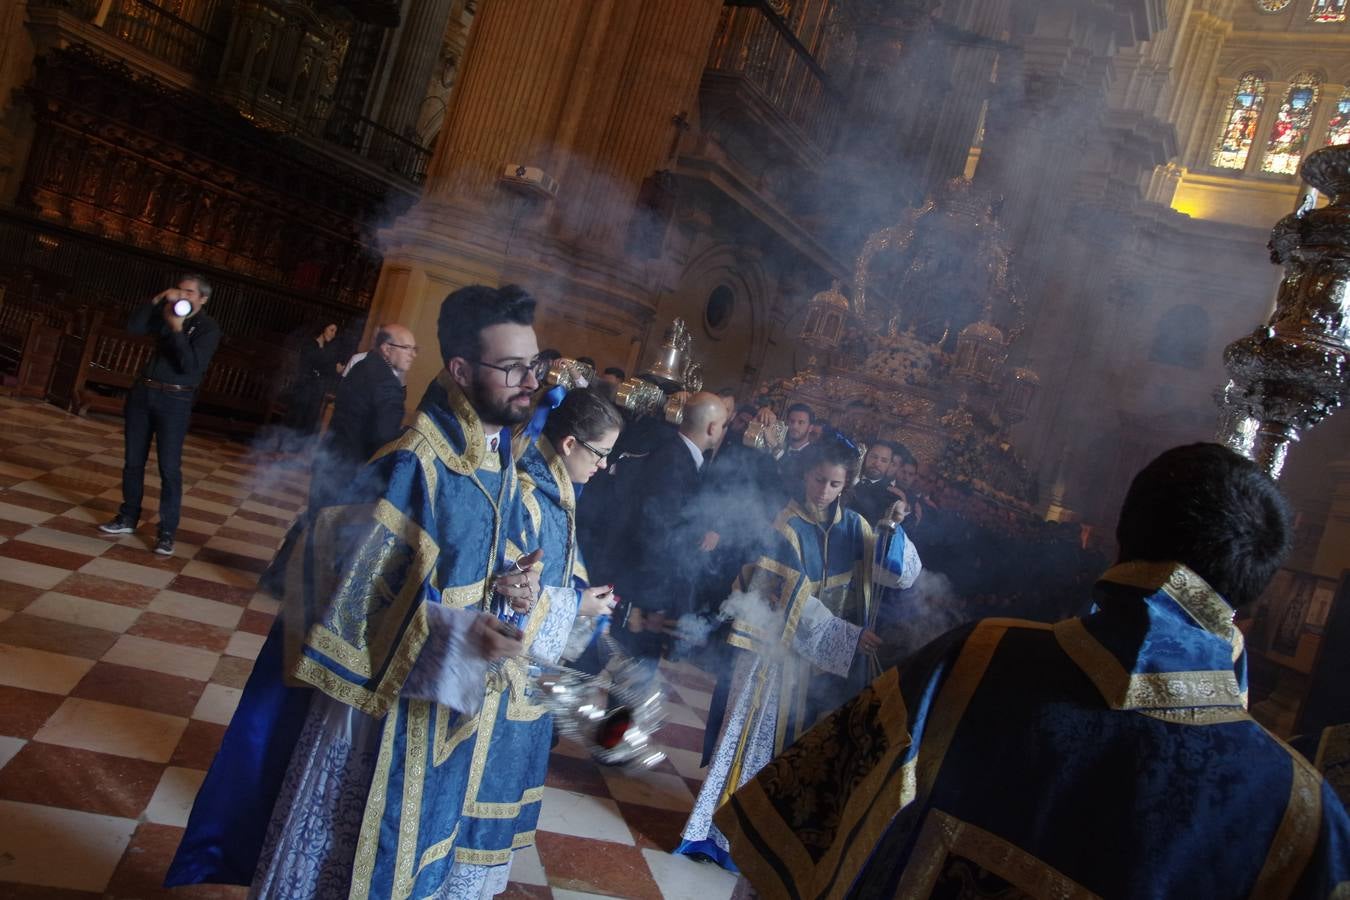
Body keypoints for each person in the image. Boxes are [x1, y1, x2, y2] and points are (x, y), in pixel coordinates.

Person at [715, 443, 1350, 898]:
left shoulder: (975, 661)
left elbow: (792, 849)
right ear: (1254, 597)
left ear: (1123, 538)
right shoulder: (1301, 812)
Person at [167, 284, 556, 899]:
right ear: (459, 370)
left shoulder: (500, 461)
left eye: (533, 366)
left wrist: (512, 584)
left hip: (445, 711)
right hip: (373, 721)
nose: (528, 382)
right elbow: (342, 604)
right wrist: (458, 629)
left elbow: (467, 560)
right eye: (511, 368)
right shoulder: (411, 466)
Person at [678, 437, 921, 871]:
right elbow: (786, 601)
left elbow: (900, 576)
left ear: (847, 484)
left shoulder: (859, 527)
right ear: (805, 474)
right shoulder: (784, 527)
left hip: (827, 667)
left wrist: (895, 529)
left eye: (834, 484)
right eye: (818, 479)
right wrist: (846, 636)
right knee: (756, 743)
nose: (824, 491)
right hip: (776, 659)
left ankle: (777, 841)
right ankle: (727, 837)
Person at [451, 389, 626, 893]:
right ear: (570, 443)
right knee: (474, 808)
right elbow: (505, 596)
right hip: (497, 682)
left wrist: (583, 596)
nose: (604, 466)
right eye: (600, 454)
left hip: (528, 683)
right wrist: (577, 606)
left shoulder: (559, 493)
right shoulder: (527, 494)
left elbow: (552, 574)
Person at [98, 274, 221, 557]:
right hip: (144, 393)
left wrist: (177, 331)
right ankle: (128, 517)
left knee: (169, 467)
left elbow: (189, 366)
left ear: (202, 298)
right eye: (179, 289)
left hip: (175, 399)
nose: (182, 296)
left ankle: (166, 533)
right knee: (133, 461)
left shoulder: (208, 328)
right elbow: (134, 326)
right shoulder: (165, 311)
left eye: (189, 292)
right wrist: (156, 301)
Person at [308, 323, 417, 511]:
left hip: (330, 459)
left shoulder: (361, 366)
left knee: (315, 524)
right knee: (333, 533)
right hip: (353, 471)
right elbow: (383, 440)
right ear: (386, 348)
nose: (413, 354)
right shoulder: (388, 384)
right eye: (407, 348)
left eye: (415, 349)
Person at [283, 322, 344, 445]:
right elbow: (311, 363)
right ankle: (287, 444)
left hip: (315, 387)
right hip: (304, 385)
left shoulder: (328, 349)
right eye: (331, 330)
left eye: (335, 332)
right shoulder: (310, 344)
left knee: (312, 415)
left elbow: (325, 368)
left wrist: (335, 369)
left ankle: (300, 447)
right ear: (323, 328)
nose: (333, 334)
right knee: (299, 413)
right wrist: (333, 367)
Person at [847, 440, 895, 524]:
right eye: (873, 457)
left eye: (883, 460)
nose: (877, 463)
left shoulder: (891, 495)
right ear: (866, 456)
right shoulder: (846, 478)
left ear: (890, 465)